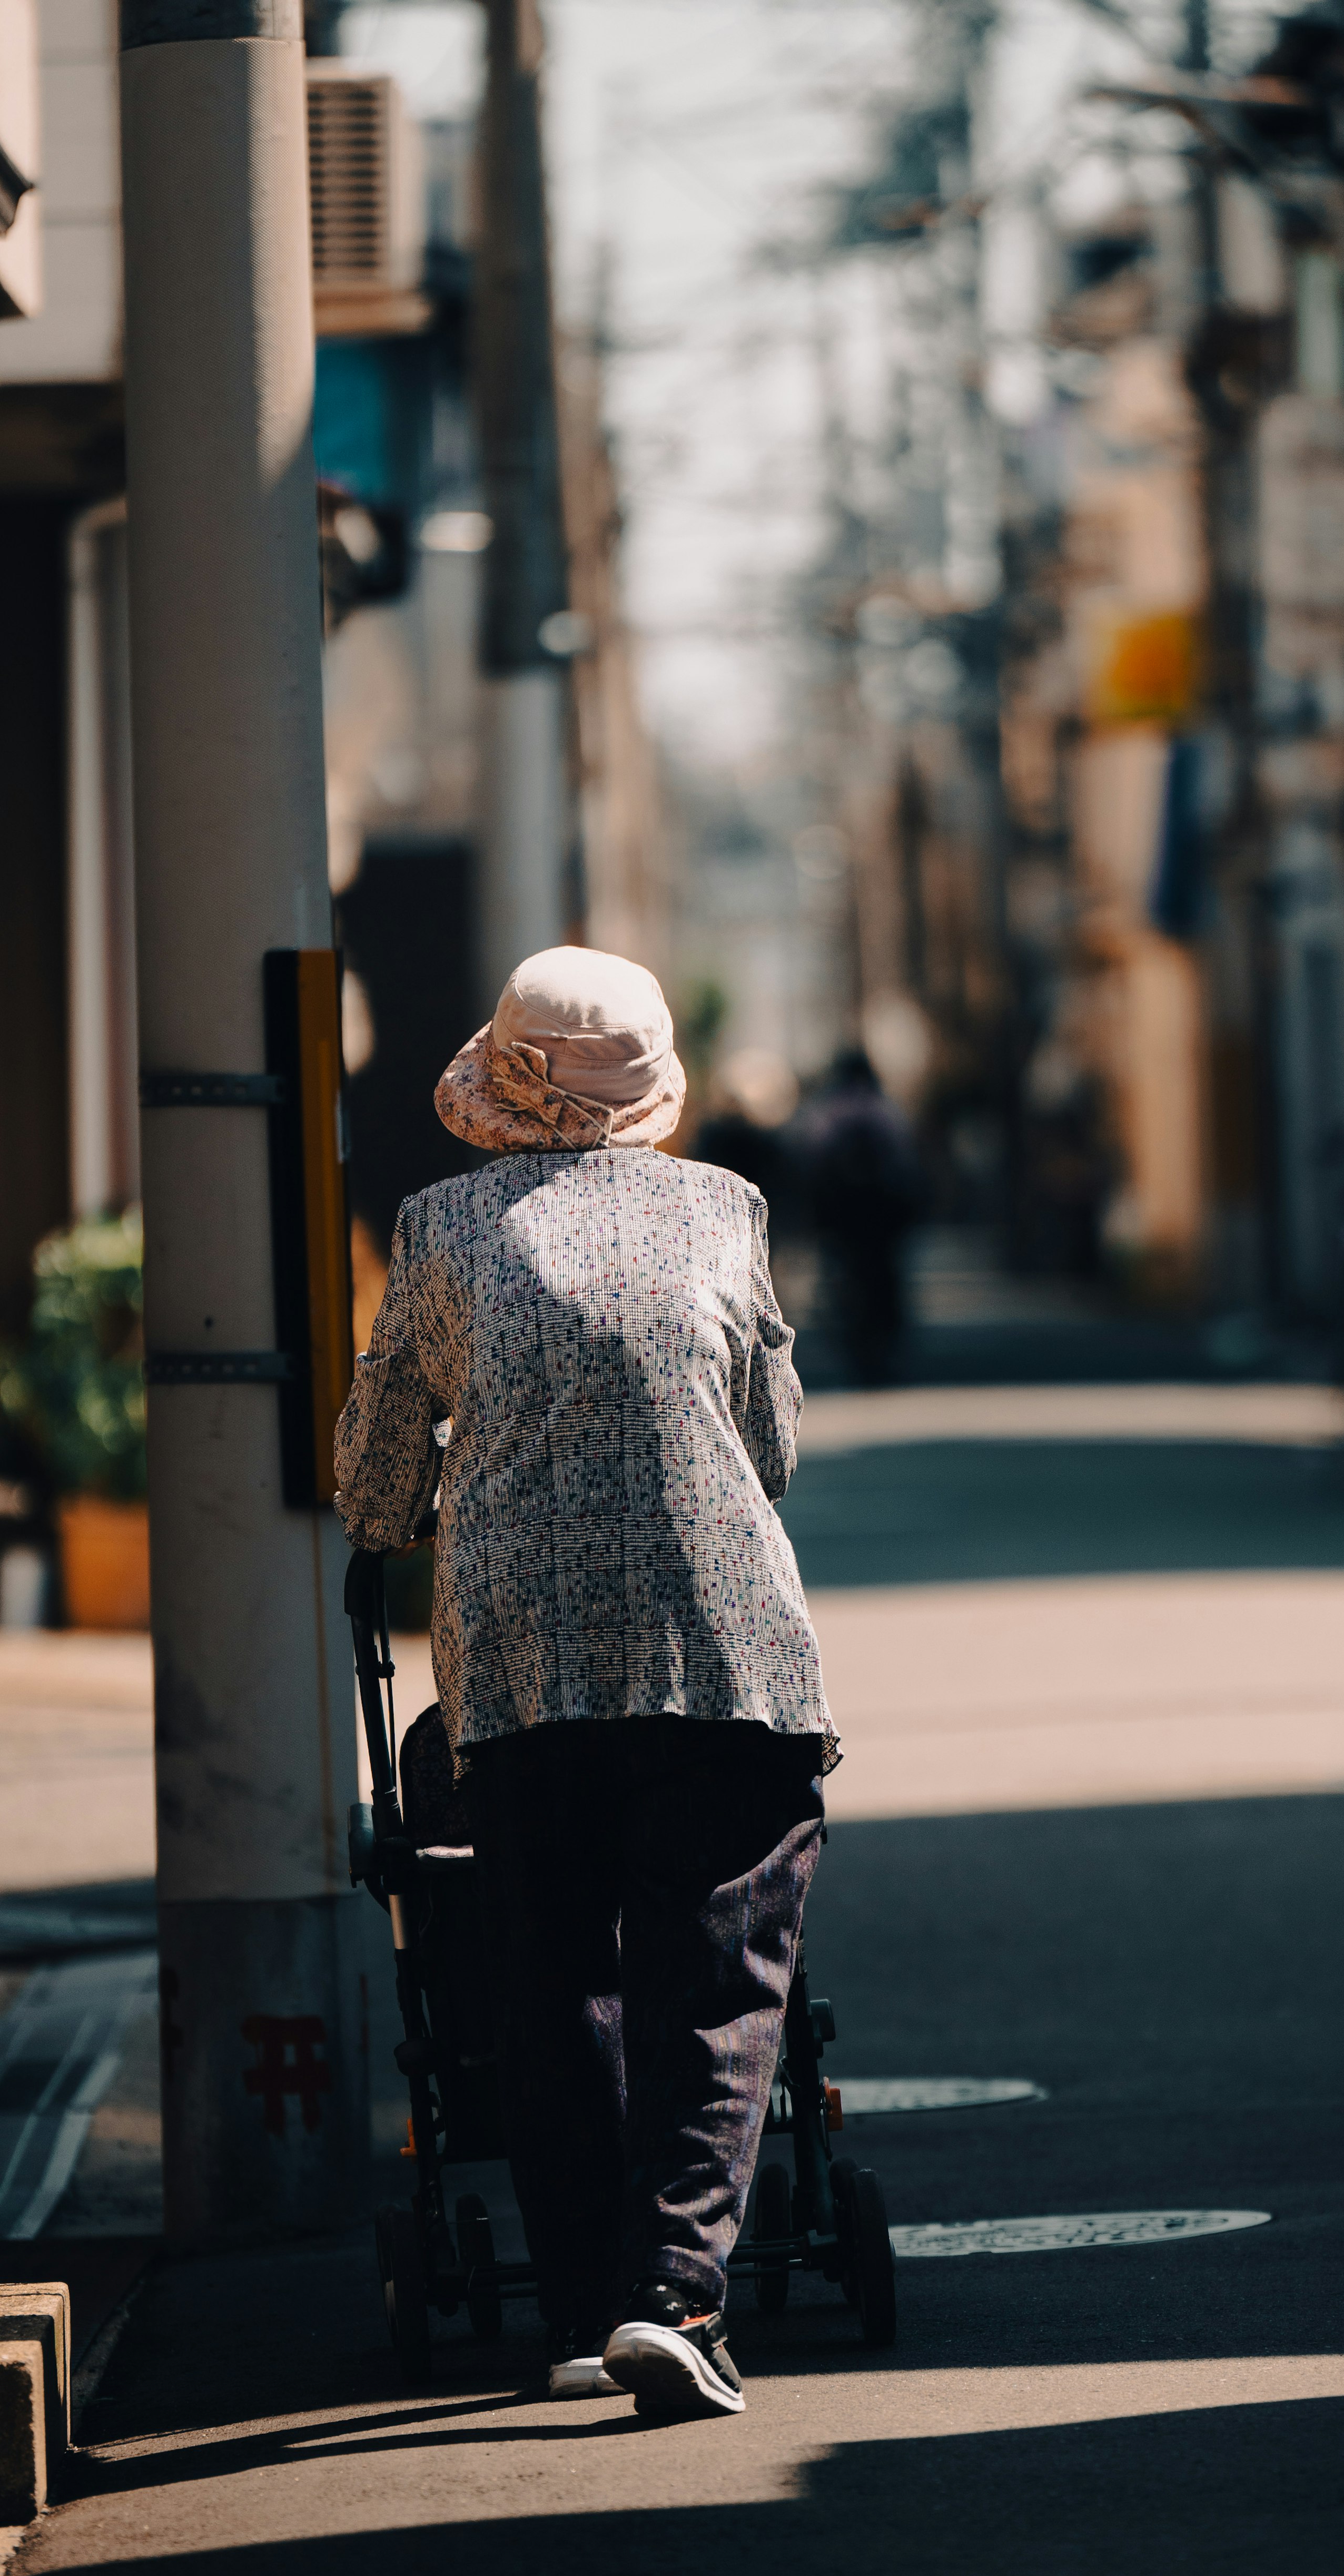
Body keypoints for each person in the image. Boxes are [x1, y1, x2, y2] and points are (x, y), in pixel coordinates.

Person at [334, 946, 839, 2423]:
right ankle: (680, 2297)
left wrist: (447, 1486)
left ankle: (579, 2311)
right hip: (721, 1656)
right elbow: (776, 1447)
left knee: (547, 1984)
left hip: (522, 1676)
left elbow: (371, 1485)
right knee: (721, 1977)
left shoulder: (435, 1232)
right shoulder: (725, 1212)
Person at [801, 1045, 923, 1385]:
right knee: (888, 1278)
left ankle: (850, 1332)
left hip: (843, 1216)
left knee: (842, 1273)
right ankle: (890, 1343)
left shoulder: (830, 1112)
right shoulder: (884, 1110)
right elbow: (906, 1163)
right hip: (884, 1213)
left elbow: (813, 1161)